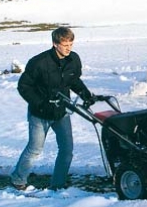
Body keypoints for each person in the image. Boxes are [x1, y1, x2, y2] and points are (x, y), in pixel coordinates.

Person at [10, 27, 94, 190]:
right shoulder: (39, 62)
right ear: (55, 44)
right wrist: (41, 104)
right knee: (35, 149)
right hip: (40, 113)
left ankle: (58, 183)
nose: (68, 48)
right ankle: (18, 179)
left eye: (71, 44)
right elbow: (24, 86)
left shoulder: (73, 59)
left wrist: (86, 94)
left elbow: (73, 80)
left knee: (67, 150)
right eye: (65, 44)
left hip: (62, 111)